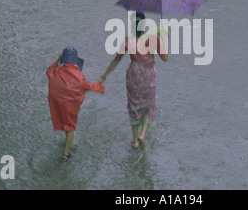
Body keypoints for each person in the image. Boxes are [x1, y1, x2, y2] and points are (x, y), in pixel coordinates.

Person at [100, 12, 168, 150]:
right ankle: (143, 134)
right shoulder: (153, 39)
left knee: (134, 105)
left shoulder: (128, 41)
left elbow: (116, 60)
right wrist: (164, 39)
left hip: (133, 74)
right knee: (150, 105)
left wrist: (104, 76)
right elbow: (165, 58)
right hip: (148, 76)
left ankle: (135, 140)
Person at [46, 47, 105, 159]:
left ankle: (66, 143)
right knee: (70, 127)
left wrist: (57, 60)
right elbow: (88, 87)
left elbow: (49, 71)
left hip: (58, 103)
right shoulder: (79, 75)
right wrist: (100, 85)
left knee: (65, 124)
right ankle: (66, 154)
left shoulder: (57, 72)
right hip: (70, 105)